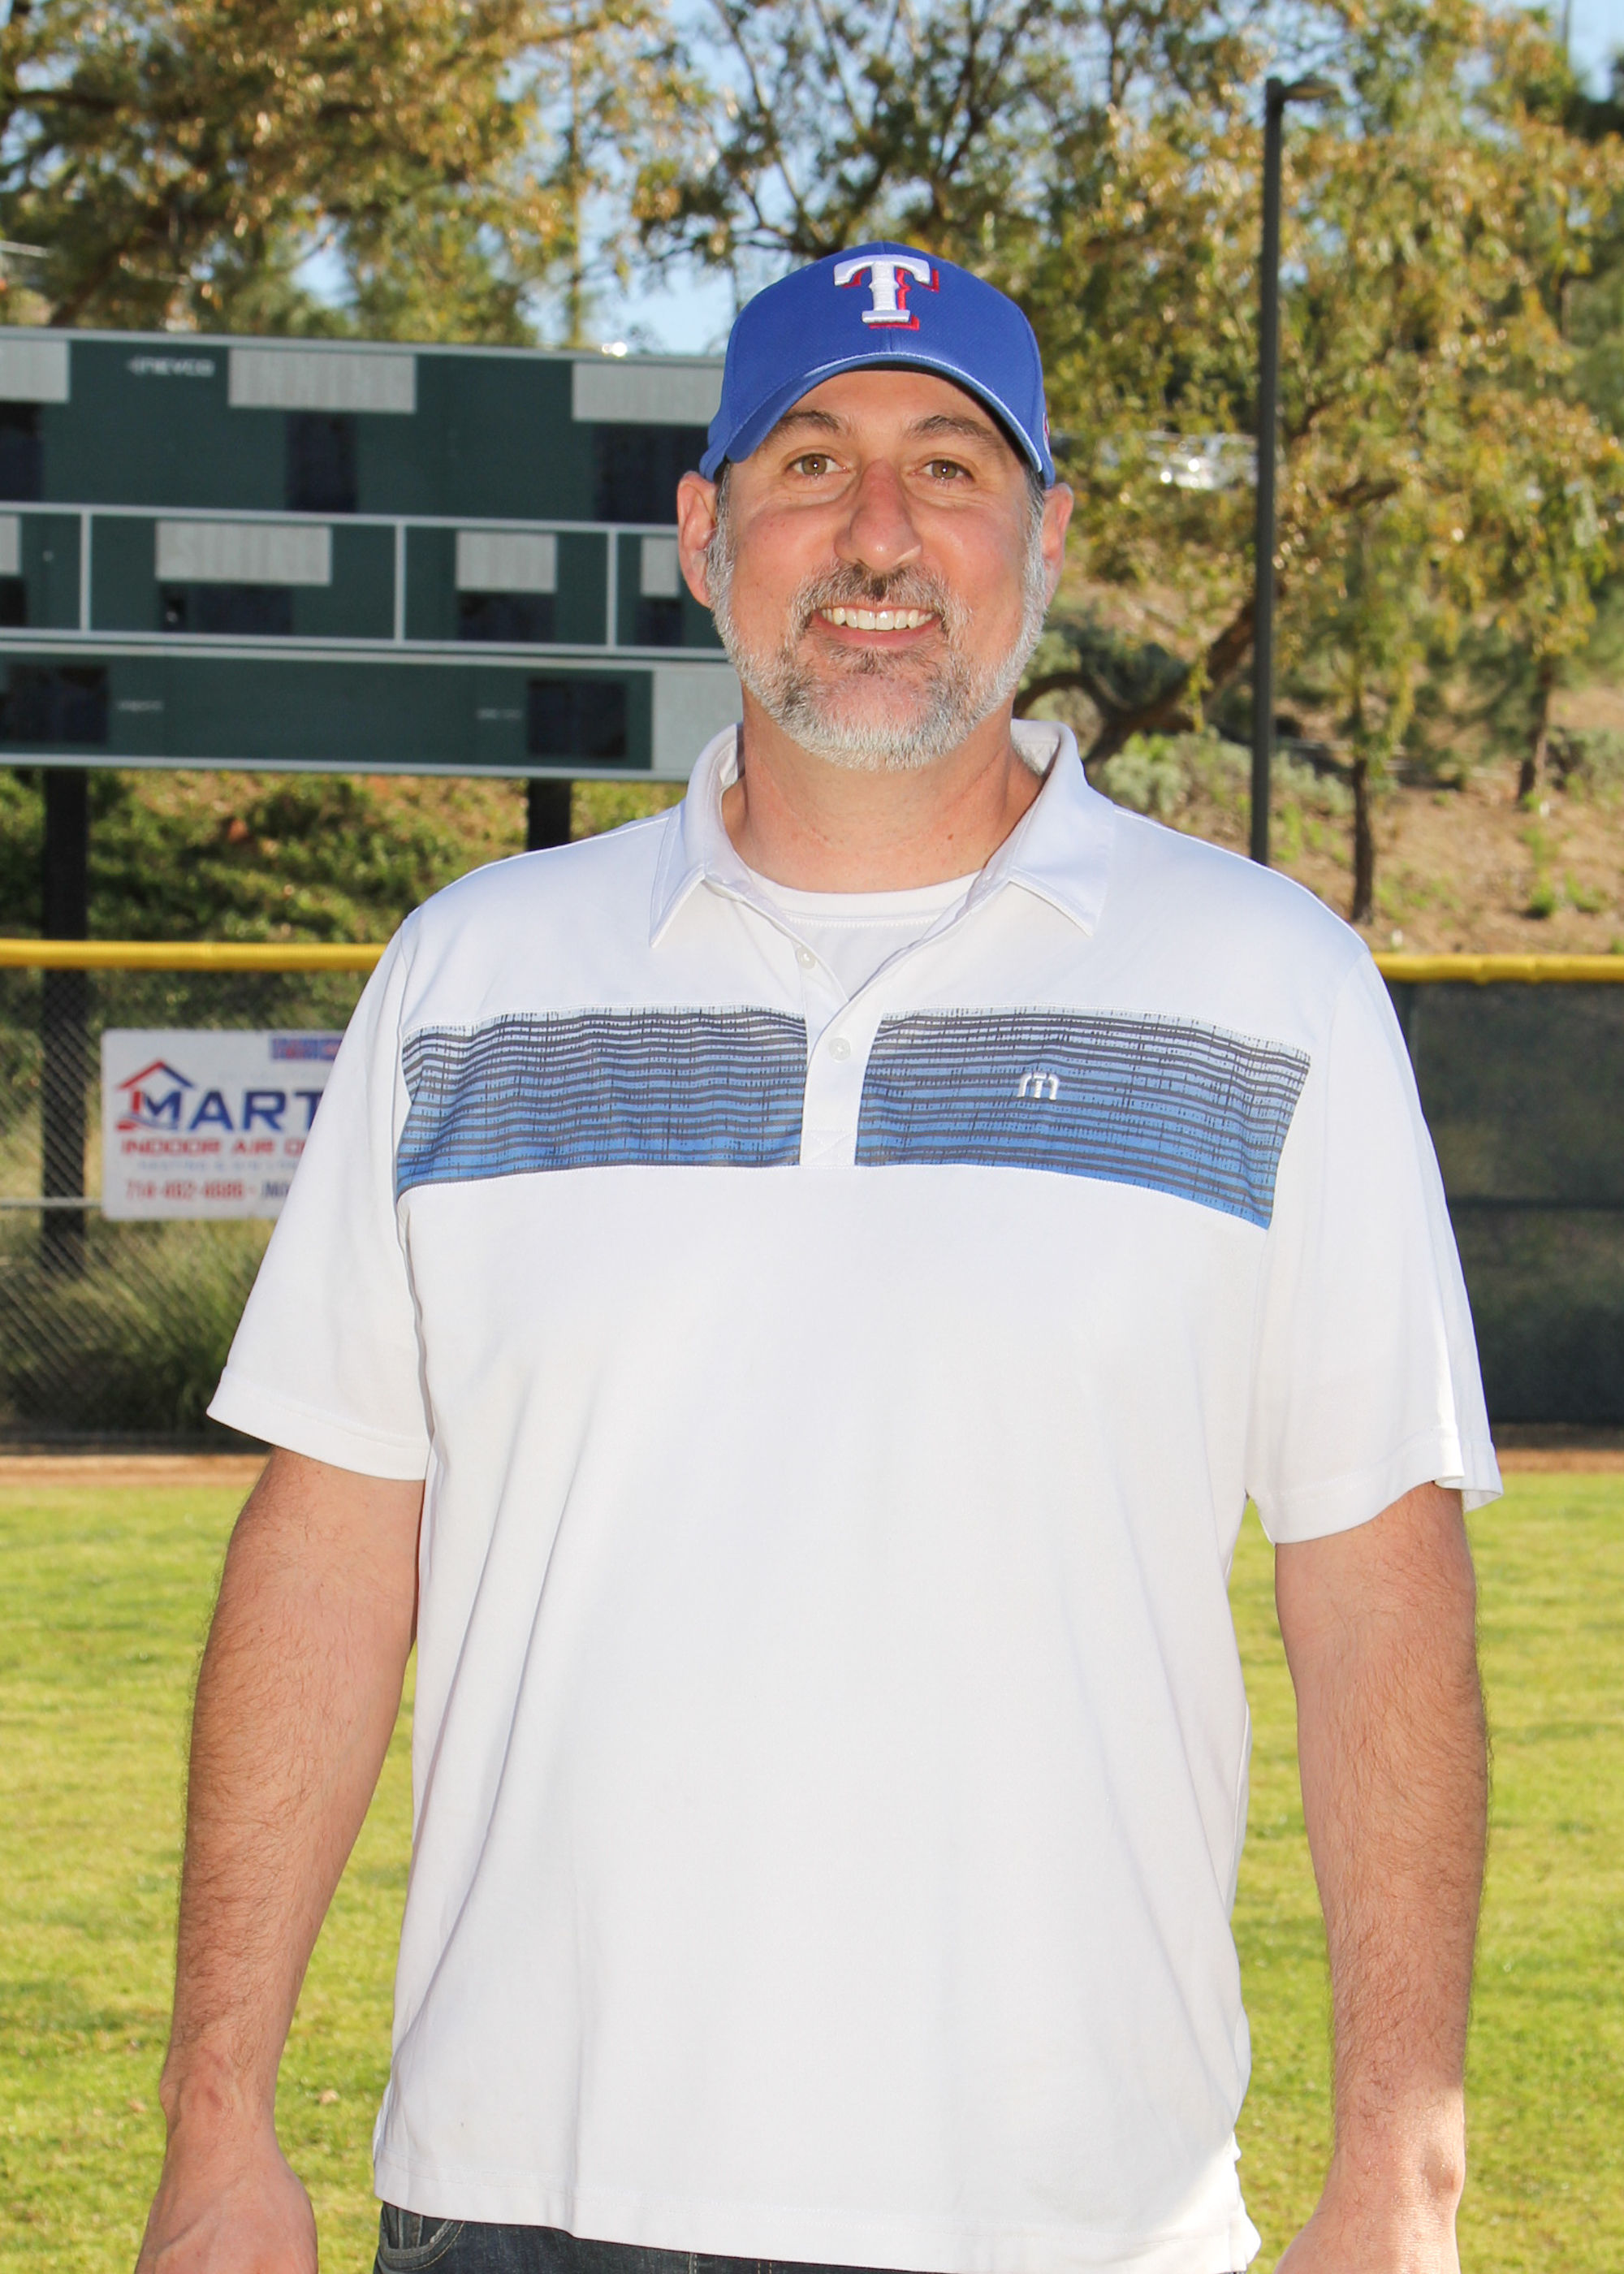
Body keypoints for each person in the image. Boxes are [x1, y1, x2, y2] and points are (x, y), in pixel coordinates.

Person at [136, 245, 1497, 2274]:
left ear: (1045, 536)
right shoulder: (475, 975)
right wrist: (216, 2116)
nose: (878, 533)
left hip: (1070, 2221)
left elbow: (1376, 1586)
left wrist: (1401, 2164)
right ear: (705, 534)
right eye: (808, 462)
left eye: (949, 466)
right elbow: (329, 1547)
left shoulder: (1269, 986)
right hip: (522, 2199)